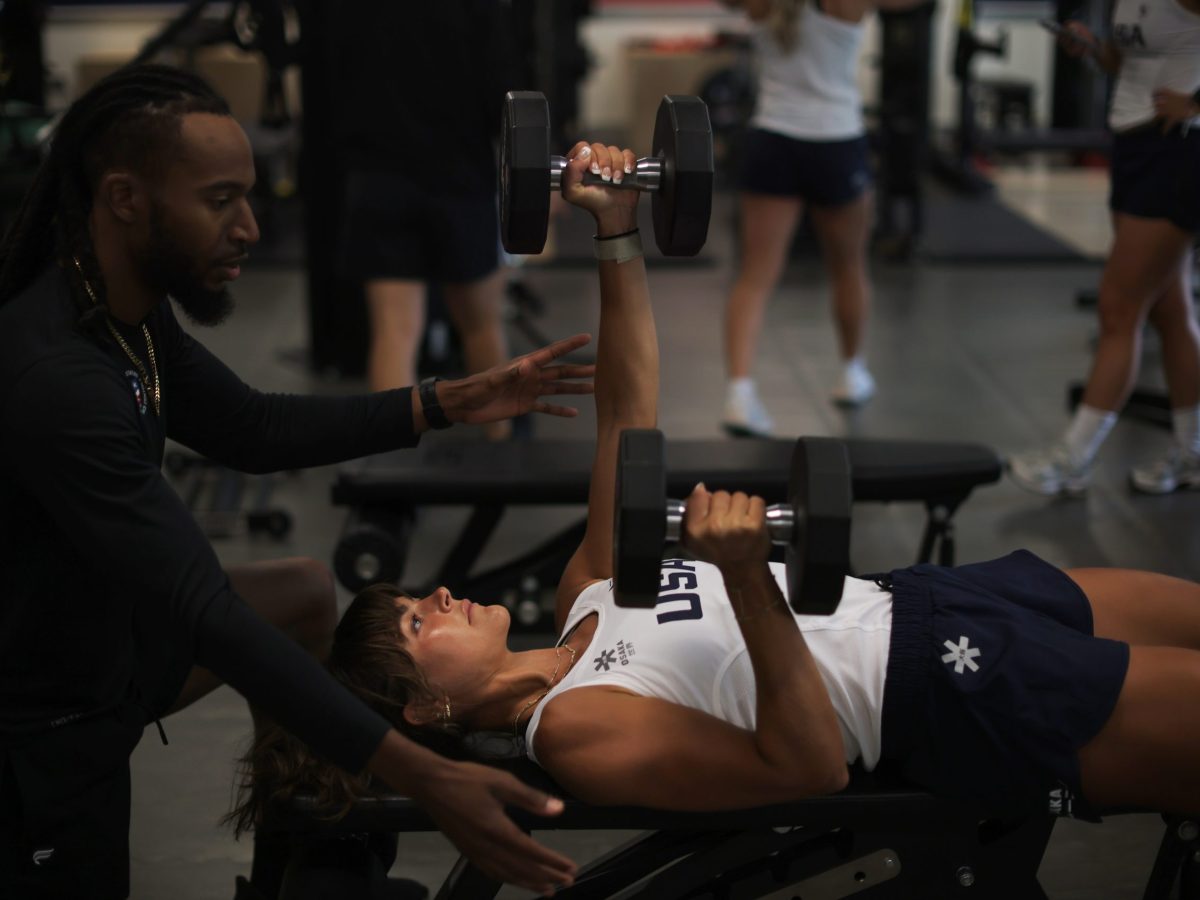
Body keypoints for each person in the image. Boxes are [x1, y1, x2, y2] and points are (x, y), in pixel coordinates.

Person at [232, 139, 1200, 839]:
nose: (437, 593)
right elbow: (809, 767)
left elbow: (629, 416)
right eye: (417, 624)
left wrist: (616, 233)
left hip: (934, 599)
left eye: (412, 598)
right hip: (946, 692)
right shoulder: (578, 731)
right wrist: (742, 577)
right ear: (424, 715)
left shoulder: (590, 597)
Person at [0, 64, 602, 899]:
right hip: (40, 718)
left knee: (303, 596)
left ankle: (308, 868)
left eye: (248, 196)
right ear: (124, 198)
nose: (249, 226)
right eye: (219, 201)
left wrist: (444, 401)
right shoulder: (59, 379)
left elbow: (251, 428)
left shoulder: (123, 315)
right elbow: (203, 611)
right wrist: (424, 776)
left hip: (101, 640)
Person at [1008, 0, 1200, 496]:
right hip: (1136, 145)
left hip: (1176, 149)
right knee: (1170, 310)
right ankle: (1193, 453)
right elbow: (1130, 59)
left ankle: (1075, 456)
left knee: (1120, 307)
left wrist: (1198, 105)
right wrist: (1093, 50)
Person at [718, 0, 921, 436]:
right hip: (835, 141)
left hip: (772, 141)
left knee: (753, 276)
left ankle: (739, 393)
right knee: (848, 266)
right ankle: (851, 373)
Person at [334, 2, 518, 440]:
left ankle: (390, 481)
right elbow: (502, 96)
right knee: (480, 325)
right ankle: (504, 452)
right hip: (460, 179)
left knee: (395, 334)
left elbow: (336, 80)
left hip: (381, 177)